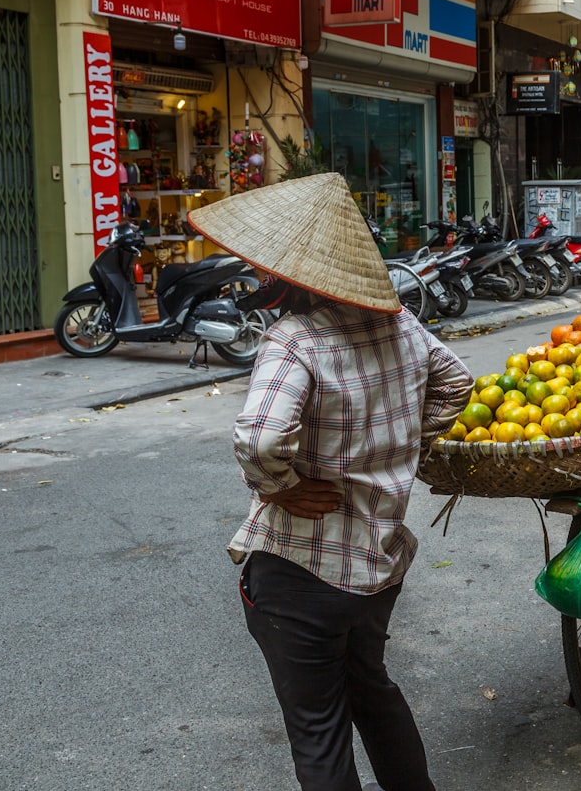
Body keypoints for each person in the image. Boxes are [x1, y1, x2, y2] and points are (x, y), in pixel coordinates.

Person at [188, 173, 473, 791]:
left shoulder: (296, 338)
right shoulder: (398, 324)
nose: (254, 273)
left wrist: (281, 487)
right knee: (370, 688)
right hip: (378, 561)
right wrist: (401, 448)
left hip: (303, 571)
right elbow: (456, 381)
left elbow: (261, 438)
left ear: (296, 274)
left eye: (265, 267)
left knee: (319, 732)